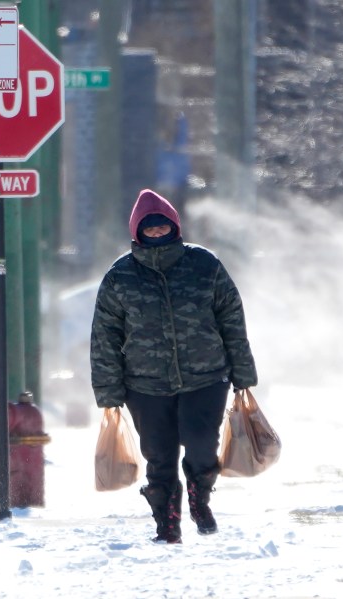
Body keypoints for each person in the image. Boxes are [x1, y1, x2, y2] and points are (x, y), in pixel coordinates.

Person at [90, 188, 258, 544]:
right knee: (159, 457)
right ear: (137, 231)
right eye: (148, 228)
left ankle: (200, 497)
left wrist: (243, 373)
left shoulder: (205, 266)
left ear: (174, 226)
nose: (155, 233)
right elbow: (105, 335)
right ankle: (166, 524)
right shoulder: (120, 277)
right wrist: (108, 390)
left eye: (161, 226)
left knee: (201, 443)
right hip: (145, 385)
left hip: (206, 377)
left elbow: (231, 319)